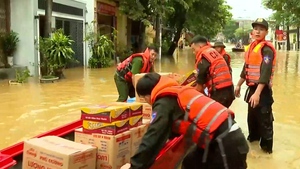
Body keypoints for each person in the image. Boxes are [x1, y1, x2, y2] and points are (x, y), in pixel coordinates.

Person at [121, 73, 249, 169]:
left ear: (148, 95)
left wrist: (134, 166)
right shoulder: (179, 91)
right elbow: (176, 127)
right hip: (226, 137)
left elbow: (153, 136)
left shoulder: (164, 101)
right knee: (190, 163)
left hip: (225, 144)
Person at [234, 18, 276, 154]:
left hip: (262, 91)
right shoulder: (252, 47)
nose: (258, 31)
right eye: (256, 28)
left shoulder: (266, 50)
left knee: (265, 122)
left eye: (261, 29)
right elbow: (245, 68)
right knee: (252, 120)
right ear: (252, 31)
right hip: (252, 89)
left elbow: (265, 72)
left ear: (266, 32)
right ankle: (253, 145)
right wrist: (238, 85)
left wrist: (257, 94)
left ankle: (267, 152)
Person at [190, 35, 235, 108]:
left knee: (213, 116)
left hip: (220, 93)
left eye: (194, 49)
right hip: (229, 91)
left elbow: (200, 84)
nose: (193, 52)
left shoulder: (204, 56)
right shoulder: (213, 52)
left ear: (200, 46)